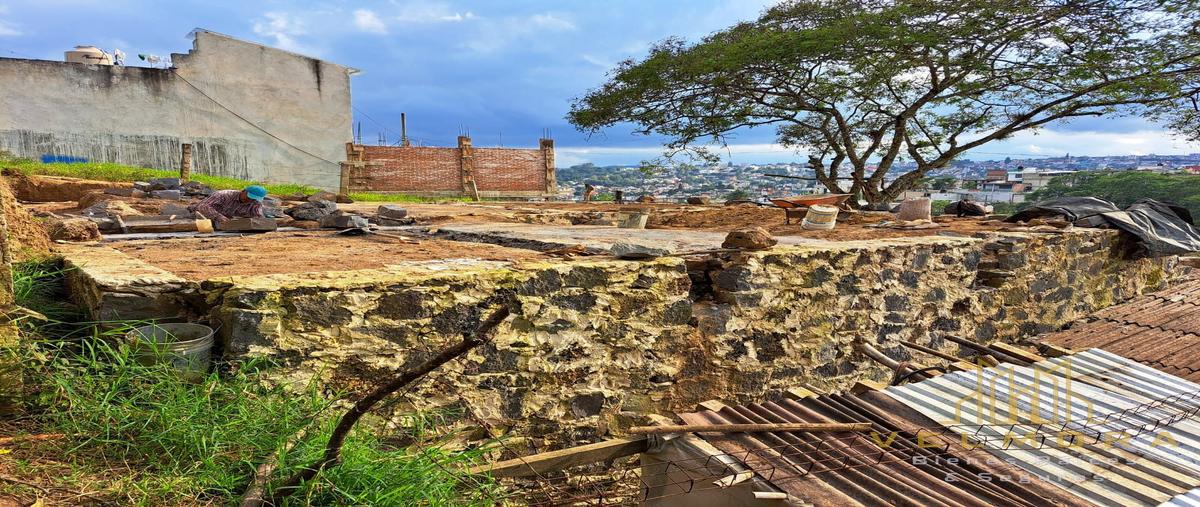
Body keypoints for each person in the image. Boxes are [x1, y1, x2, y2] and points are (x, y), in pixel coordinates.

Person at [188, 185, 267, 225]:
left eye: (253, 199)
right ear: (243, 191)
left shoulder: (255, 202)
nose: (250, 200)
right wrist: (221, 218)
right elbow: (204, 207)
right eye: (249, 197)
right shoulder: (223, 195)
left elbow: (258, 216)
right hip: (202, 216)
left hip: (227, 221)